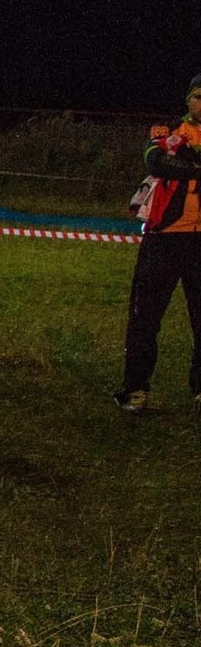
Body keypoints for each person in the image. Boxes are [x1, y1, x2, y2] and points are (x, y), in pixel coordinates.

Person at [115, 74, 201, 412]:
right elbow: (157, 160)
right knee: (145, 318)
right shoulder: (167, 132)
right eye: (199, 96)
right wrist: (195, 166)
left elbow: (177, 165)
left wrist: (189, 163)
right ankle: (135, 389)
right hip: (163, 239)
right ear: (188, 101)